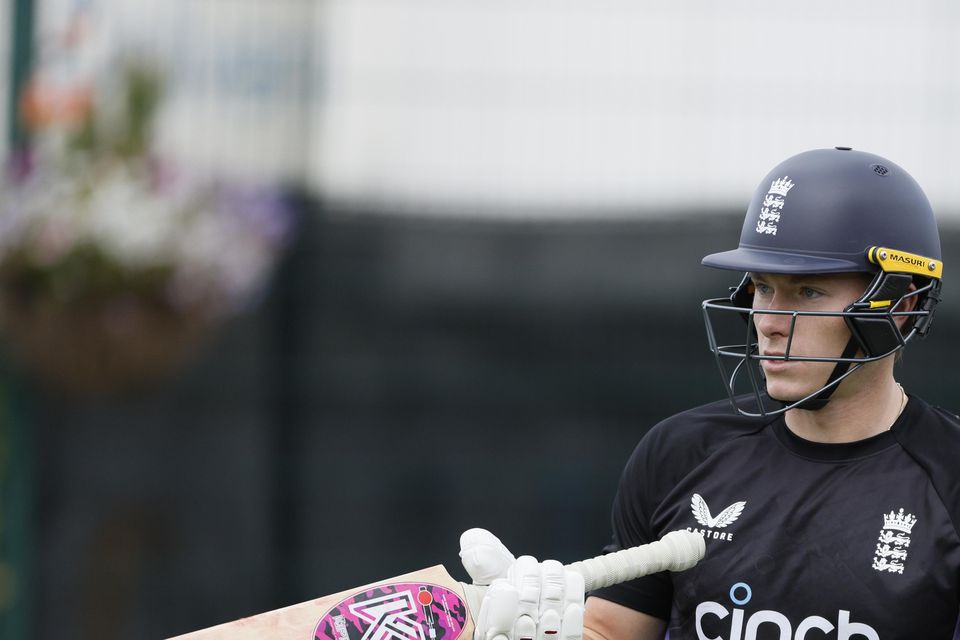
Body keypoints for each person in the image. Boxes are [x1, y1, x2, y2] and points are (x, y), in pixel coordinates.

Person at [459, 148, 960, 640]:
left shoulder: (949, 472)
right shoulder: (681, 452)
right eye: (763, 288)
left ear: (900, 304)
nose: (767, 321)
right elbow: (612, 630)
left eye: (808, 292)